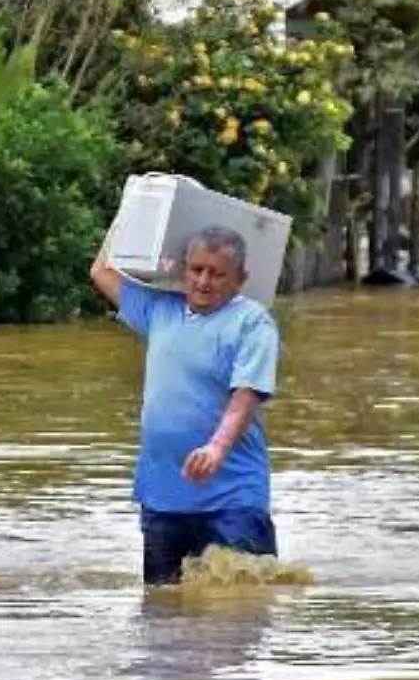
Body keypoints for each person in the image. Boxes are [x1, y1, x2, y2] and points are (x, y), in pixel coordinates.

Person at [90, 226, 281, 586]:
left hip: (232, 498)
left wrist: (217, 446)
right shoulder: (160, 311)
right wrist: (133, 209)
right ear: (182, 271)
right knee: (163, 616)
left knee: (238, 615)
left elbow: (247, 395)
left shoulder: (253, 323)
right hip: (163, 496)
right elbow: (101, 272)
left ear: (241, 280)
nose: (204, 281)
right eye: (197, 270)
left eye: (217, 273)